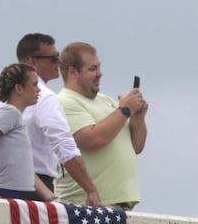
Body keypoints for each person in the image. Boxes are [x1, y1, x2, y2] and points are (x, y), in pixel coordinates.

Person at [0, 33, 101, 206]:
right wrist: (91, 191)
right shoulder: (45, 97)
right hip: (32, 187)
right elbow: (64, 145)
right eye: (53, 58)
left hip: (1, 181)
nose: (59, 62)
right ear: (32, 62)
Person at [55, 42, 147, 209]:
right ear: (72, 72)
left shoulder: (106, 101)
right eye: (92, 69)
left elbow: (136, 146)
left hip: (116, 206)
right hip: (86, 206)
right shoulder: (64, 102)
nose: (100, 74)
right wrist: (125, 110)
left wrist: (138, 118)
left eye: (99, 67)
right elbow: (92, 140)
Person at [0, 64, 48, 201]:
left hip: (21, 193)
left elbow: (25, 168)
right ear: (19, 88)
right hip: (6, 192)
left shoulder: (16, 117)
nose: (38, 90)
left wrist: (50, 196)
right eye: (34, 84)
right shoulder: (9, 113)